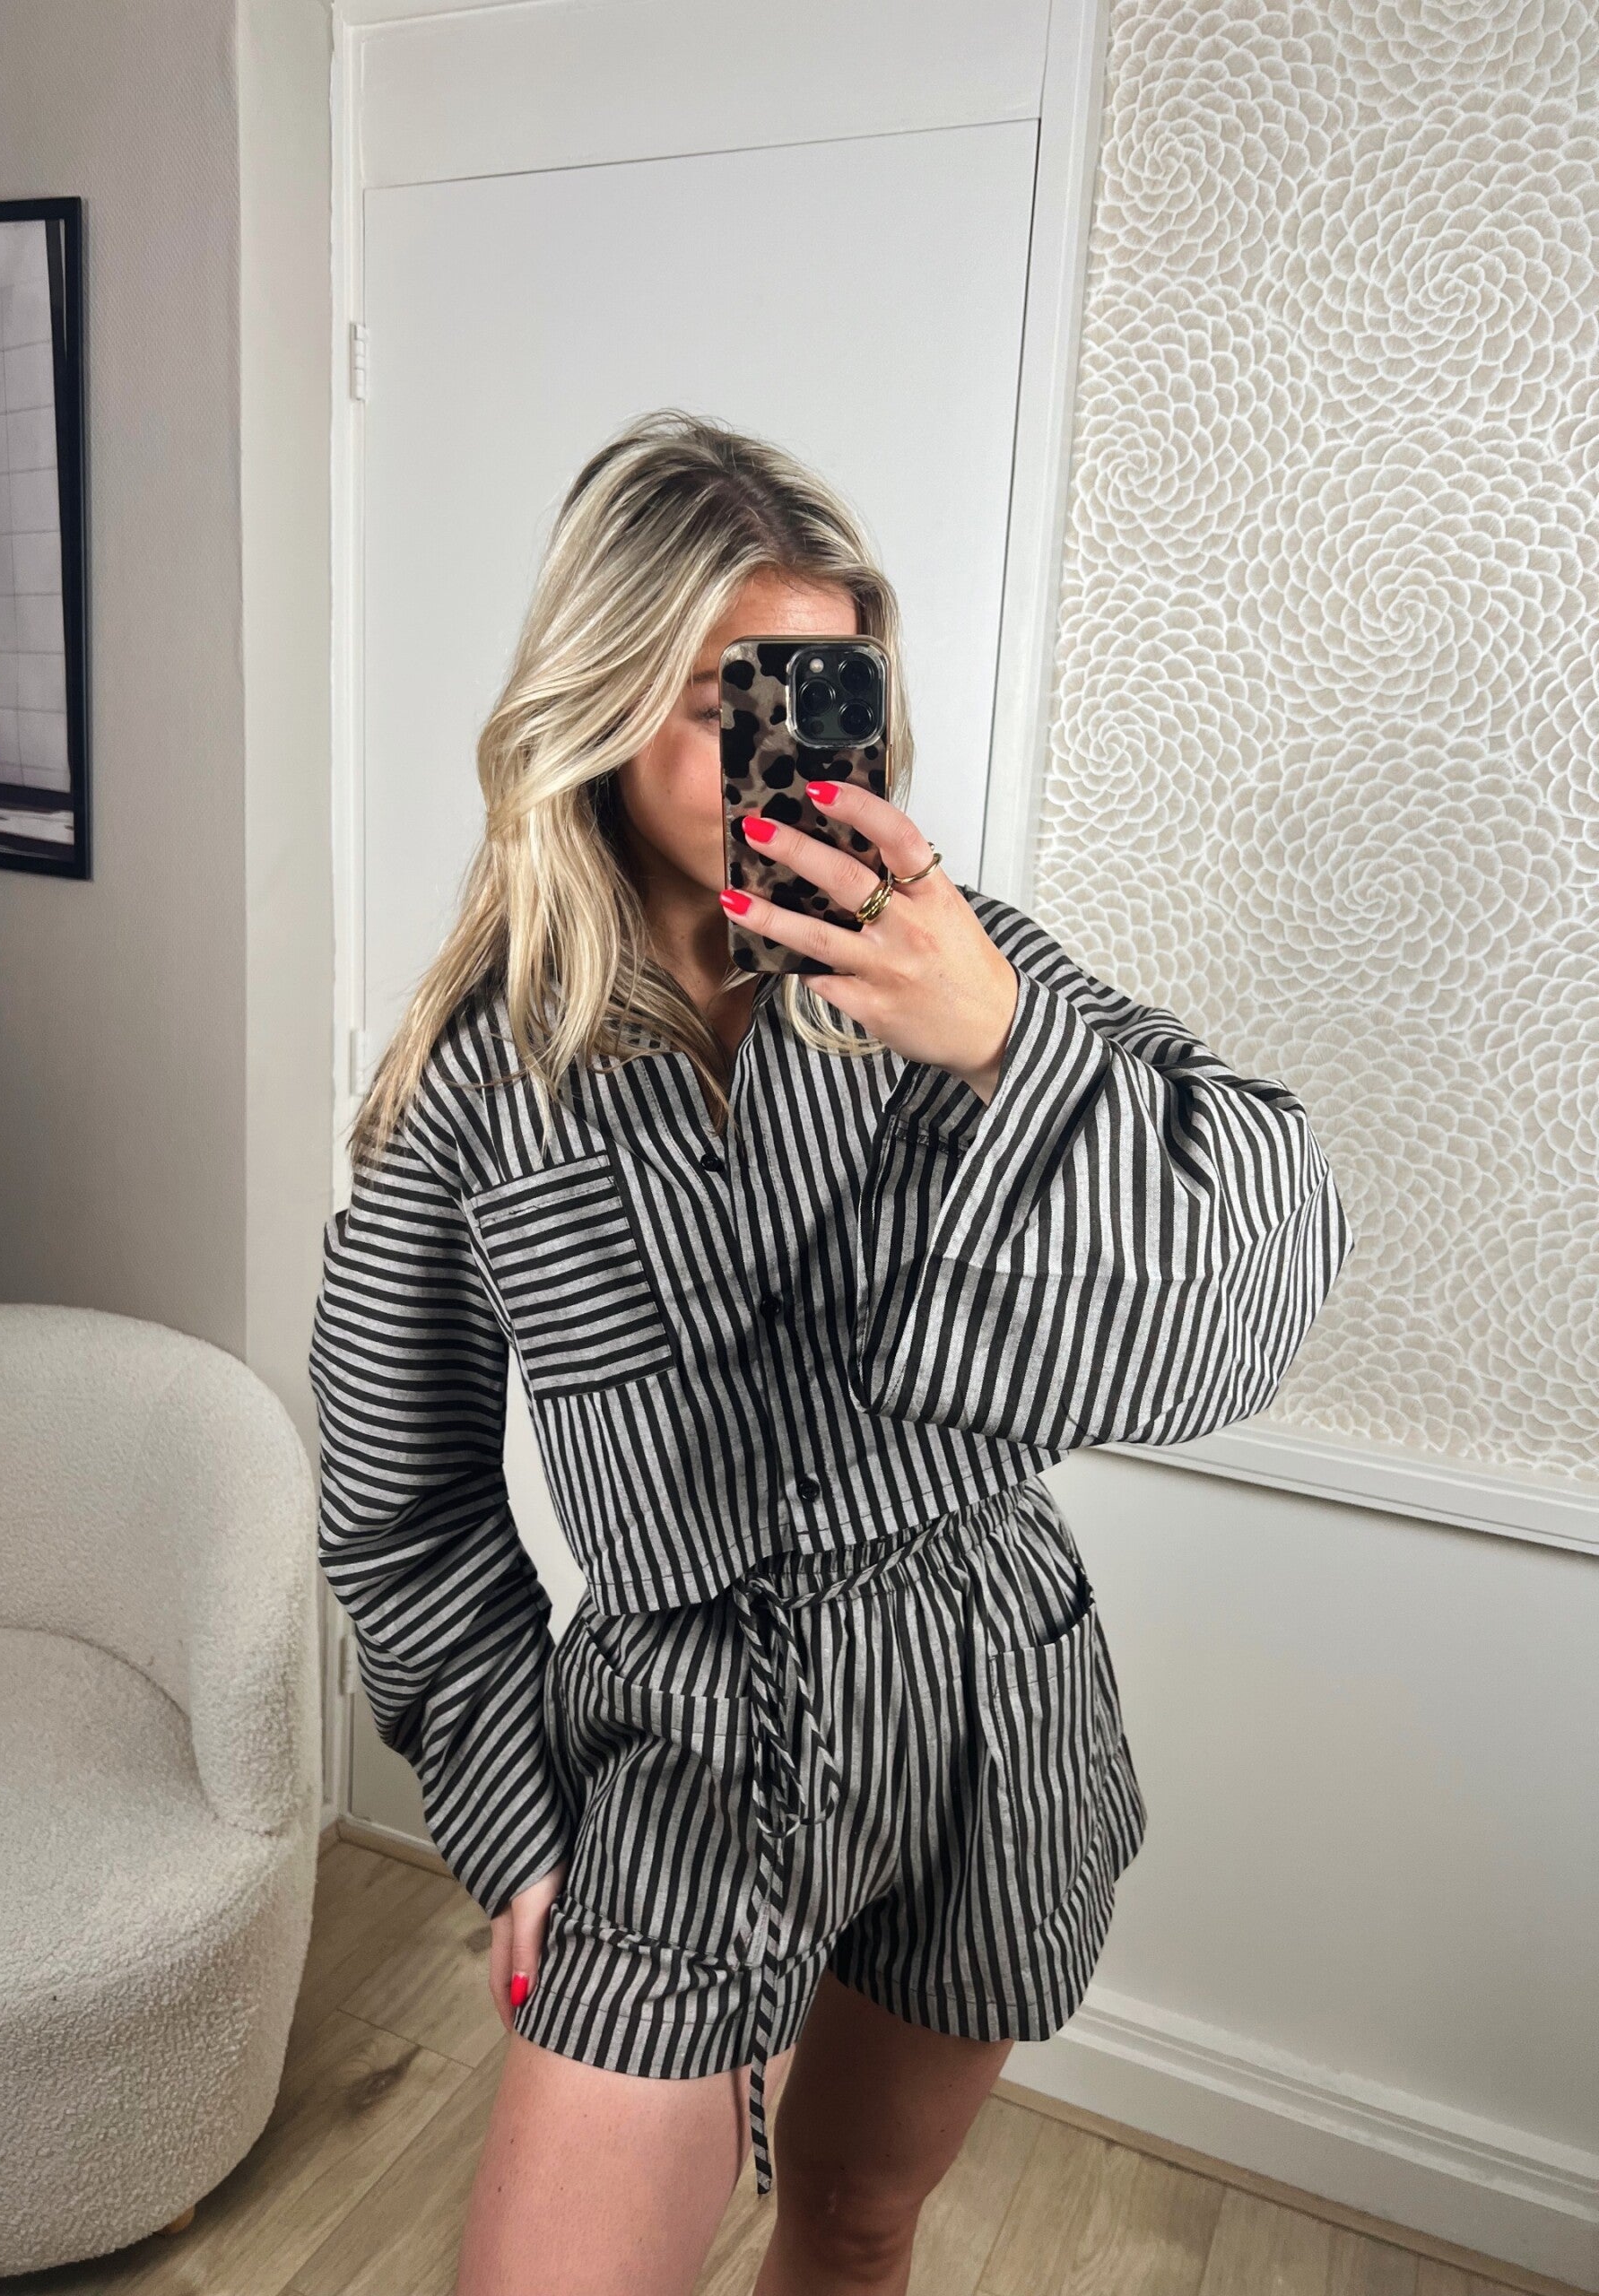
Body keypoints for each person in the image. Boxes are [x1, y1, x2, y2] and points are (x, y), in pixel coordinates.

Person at [308, 409, 1353, 2296]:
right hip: (688, 1734)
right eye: (730, 692)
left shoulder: (960, 966)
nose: (780, 745)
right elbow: (404, 1499)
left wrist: (1003, 1036)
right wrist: (516, 1821)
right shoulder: (479, 1083)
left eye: (823, 691)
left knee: (860, 2221)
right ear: (603, 696)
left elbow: (1251, 1277)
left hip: (992, 1695)